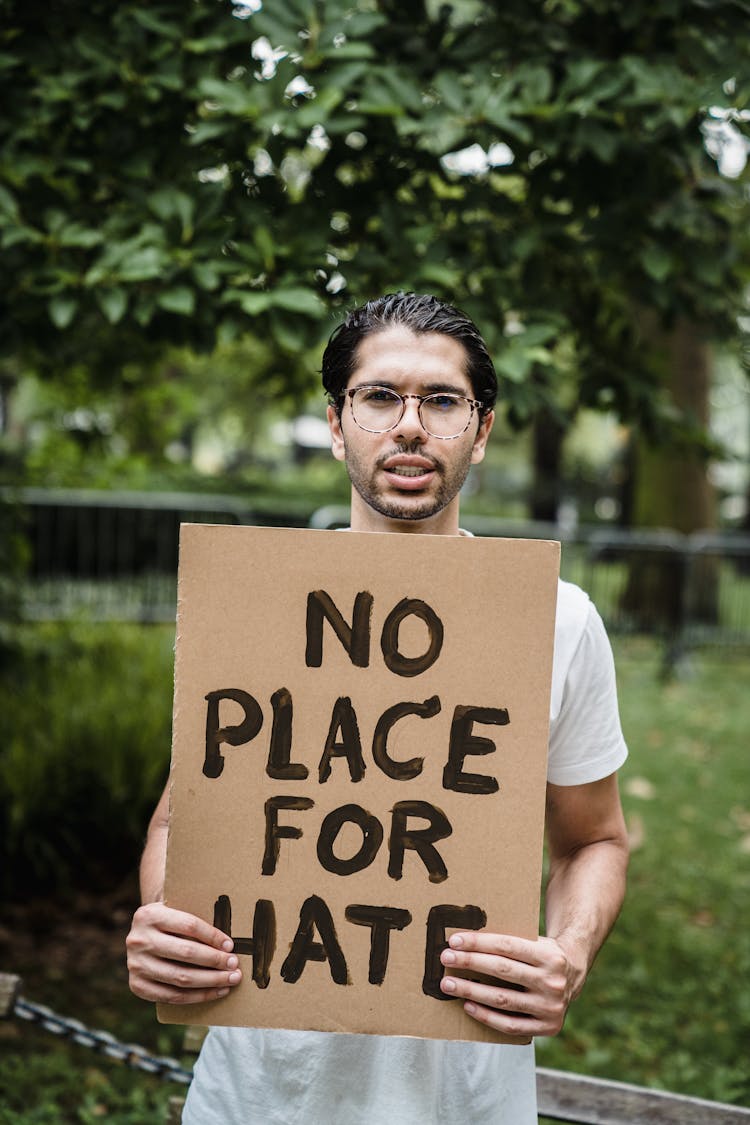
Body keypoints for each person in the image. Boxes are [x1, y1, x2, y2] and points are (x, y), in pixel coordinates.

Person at [127, 292, 629, 1124]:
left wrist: (568, 955)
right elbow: (181, 823)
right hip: (258, 1095)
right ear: (336, 423)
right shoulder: (252, 602)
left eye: (441, 401)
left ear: (482, 429)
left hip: (464, 1099)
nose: (409, 426)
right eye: (379, 397)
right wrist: (167, 926)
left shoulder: (559, 619)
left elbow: (595, 838)